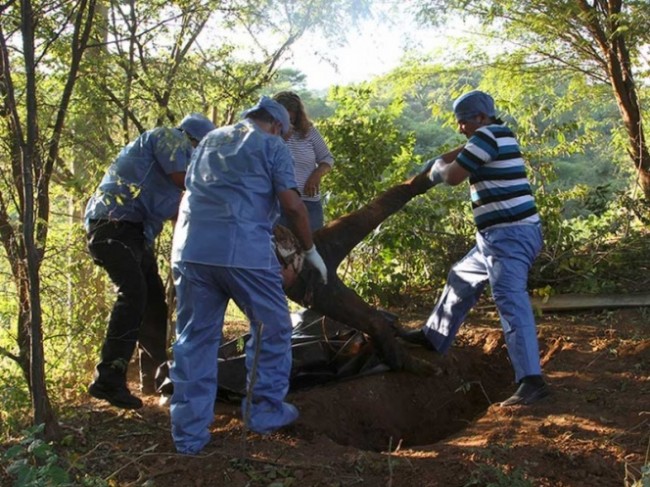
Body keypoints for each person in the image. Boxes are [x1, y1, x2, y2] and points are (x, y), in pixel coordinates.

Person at [169, 96, 328, 455]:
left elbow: (192, 194)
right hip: (243, 253)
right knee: (271, 327)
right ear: (276, 125)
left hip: (191, 251)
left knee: (194, 339)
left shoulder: (209, 140)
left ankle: (188, 436)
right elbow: (292, 204)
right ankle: (264, 413)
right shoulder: (271, 145)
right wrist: (309, 249)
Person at [401, 90, 549, 407]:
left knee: (510, 299)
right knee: (461, 277)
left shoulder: (485, 138)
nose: (460, 128)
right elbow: (464, 152)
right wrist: (443, 159)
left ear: (480, 118)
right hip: (496, 237)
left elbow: (453, 177)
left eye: (464, 122)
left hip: (509, 235)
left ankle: (532, 381)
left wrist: (437, 168)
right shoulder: (499, 134)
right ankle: (433, 335)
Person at [84, 113, 216, 410]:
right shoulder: (169, 138)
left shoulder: (174, 174)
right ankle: (109, 376)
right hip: (112, 224)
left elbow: (179, 216)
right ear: (195, 140)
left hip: (135, 234)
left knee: (154, 302)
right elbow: (185, 182)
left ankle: (156, 378)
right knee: (133, 294)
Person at [273, 91, 334, 231]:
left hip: (309, 203)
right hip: (278, 204)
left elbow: (327, 158)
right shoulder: (269, 135)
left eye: (291, 119)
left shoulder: (309, 132)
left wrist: (316, 175)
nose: (287, 123)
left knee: (314, 246)